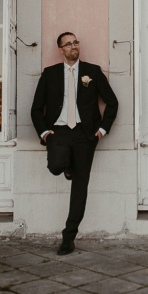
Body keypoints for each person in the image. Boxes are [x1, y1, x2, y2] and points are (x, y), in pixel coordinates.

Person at [30, 32, 119, 255]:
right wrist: (44, 134)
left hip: (85, 135)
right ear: (61, 49)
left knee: (80, 187)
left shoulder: (92, 71)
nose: (73, 47)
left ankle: (69, 237)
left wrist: (101, 131)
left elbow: (112, 102)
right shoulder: (50, 74)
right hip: (58, 132)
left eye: (76, 42)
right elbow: (35, 108)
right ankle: (67, 167)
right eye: (68, 44)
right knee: (55, 166)